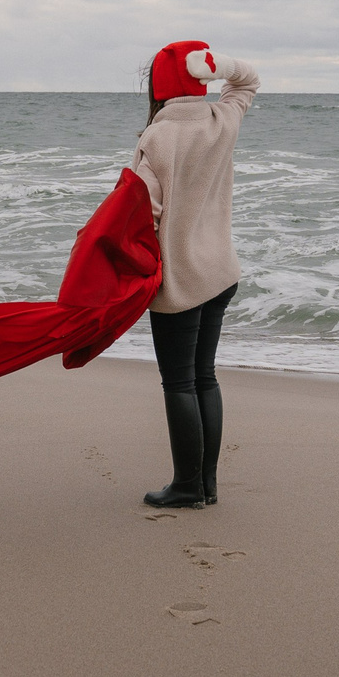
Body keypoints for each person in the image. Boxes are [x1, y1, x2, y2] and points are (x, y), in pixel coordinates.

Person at [127, 40, 259, 508]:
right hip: (220, 272)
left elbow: (146, 216)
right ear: (200, 79)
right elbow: (248, 80)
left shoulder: (158, 138)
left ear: (158, 89)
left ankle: (186, 487)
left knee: (179, 381)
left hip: (180, 281)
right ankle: (207, 484)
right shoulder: (223, 120)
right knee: (205, 376)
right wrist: (221, 66)